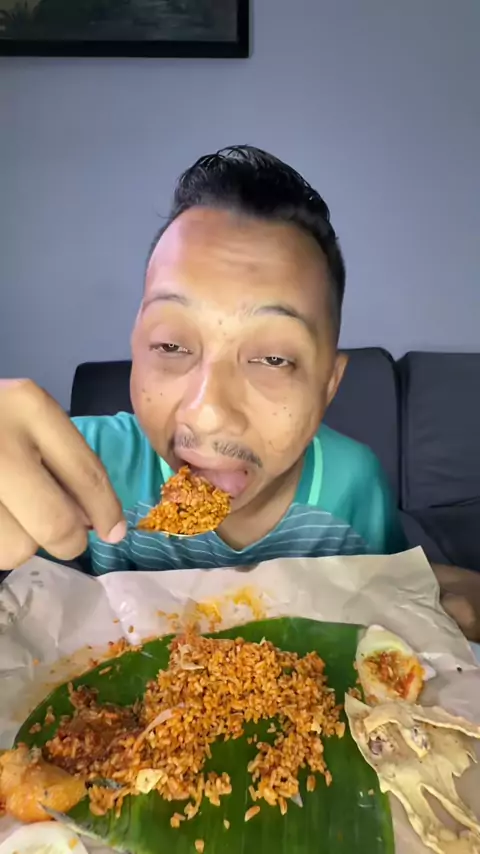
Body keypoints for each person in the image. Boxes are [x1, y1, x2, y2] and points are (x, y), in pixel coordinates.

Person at [0, 146, 478, 639]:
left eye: (273, 358)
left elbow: (386, 608)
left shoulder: (354, 487)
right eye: (171, 344)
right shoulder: (77, 463)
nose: (208, 413)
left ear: (328, 386)